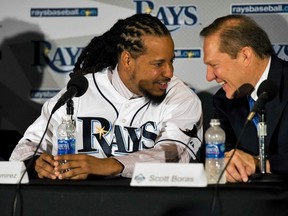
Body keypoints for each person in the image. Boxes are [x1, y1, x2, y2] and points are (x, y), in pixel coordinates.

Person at [9, 13, 203, 180]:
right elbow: (26, 147)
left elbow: (175, 155)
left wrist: (111, 165)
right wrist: (35, 163)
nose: (169, 72)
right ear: (128, 60)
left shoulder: (180, 97)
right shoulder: (81, 90)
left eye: (171, 61)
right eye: (158, 64)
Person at [200, 14, 288, 183]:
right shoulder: (225, 100)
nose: (209, 77)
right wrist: (225, 162)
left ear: (245, 55)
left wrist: (260, 164)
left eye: (214, 65)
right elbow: (217, 150)